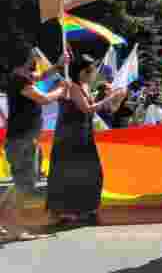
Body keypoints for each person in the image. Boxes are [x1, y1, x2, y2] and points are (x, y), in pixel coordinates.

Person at [46, 54, 126, 226]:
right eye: (92, 69)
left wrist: (116, 99)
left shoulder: (85, 85)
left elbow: (101, 109)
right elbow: (87, 109)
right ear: (84, 71)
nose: (94, 72)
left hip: (84, 134)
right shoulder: (72, 86)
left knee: (92, 172)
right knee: (67, 174)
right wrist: (109, 98)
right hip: (69, 136)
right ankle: (62, 212)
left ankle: (87, 209)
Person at [1, 46, 67, 241]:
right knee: (25, 185)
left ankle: (5, 222)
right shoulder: (19, 79)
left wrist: (58, 66)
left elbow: (41, 76)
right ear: (23, 60)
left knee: (20, 183)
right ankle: (15, 228)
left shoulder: (21, 76)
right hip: (22, 139)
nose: (35, 58)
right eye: (32, 56)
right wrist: (62, 90)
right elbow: (44, 99)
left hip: (22, 139)